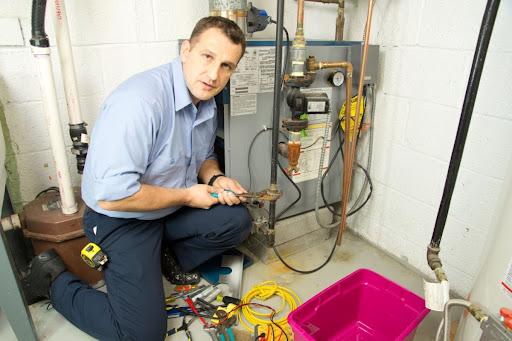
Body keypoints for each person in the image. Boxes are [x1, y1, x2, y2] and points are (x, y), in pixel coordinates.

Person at [21, 16, 252, 340]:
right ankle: (51, 280)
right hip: (122, 218)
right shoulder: (140, 103)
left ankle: (158, 256)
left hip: (167, 210)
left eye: (227, 65)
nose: (214, 74)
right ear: (186, 50)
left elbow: (203, 157)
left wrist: (214, 179)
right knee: (142, 335)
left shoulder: (205, 101)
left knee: (238, 220)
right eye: (207, 56)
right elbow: (112, 196)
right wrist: (188, 196)